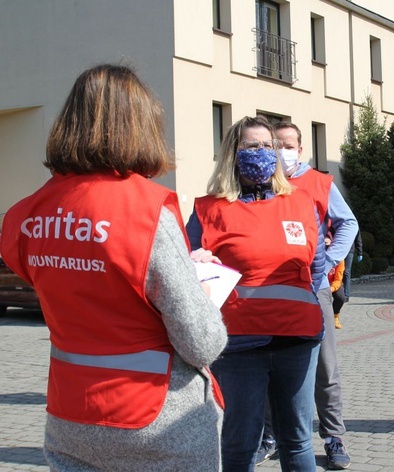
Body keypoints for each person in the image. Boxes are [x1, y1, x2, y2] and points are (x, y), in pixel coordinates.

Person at [0, 64, 227, 471]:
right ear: (141, 127)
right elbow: (201, 343)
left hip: (71, 415)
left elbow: (80, 280)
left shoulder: (27, 214)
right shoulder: (145, 210)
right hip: (158, 418)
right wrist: (202, 291)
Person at [186, 115, 326, 472]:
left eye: (268, 146)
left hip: (297, 339)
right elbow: (185, 271)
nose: (262, 152)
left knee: (296, 441)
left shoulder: (301, 202)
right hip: (238, 345)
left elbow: (317, 268)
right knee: (239, 443)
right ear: (233, 153)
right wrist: (193, 261)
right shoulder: (208, 209)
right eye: (251, 146)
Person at [273, 120, 358, 469]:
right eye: (275, 144)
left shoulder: (318, 182)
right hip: (272, 290)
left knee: (325, 368)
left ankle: (334, 437)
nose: (281, 151)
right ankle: (271, 436)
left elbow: (348, 223)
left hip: (314, 288)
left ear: (300, 148)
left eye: (287, 144)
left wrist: (330, 260)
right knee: (271, 366)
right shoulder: (263, 183)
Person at [343, 230, 363, 301]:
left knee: (346, 272)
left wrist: (360, 252)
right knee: (338, 272)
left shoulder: (353, 222)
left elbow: (358, 238)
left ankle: (346, 295)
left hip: (349, 250)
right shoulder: (338, 221)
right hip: (339, 249)